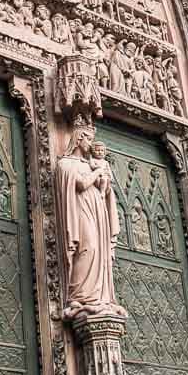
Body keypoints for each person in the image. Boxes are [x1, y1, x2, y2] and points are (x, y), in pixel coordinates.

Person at [55, 122, 123, 319]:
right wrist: (97, 173)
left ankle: (100, 298)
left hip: (98, 211)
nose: (92, 145)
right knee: (89, 247)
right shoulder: (66, 164)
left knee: (100, 250)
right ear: (79, 139)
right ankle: (79, 296)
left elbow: (105, 190)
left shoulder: (91, 164)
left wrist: (106, 184)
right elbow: (82, 184)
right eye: (89, 139)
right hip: (81, 211)